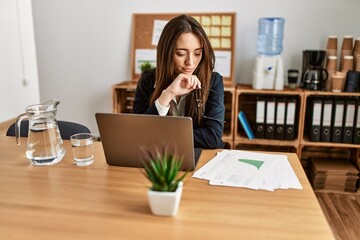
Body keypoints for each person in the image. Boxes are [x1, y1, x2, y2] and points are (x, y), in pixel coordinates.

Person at [133, 15, 225, 149]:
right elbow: (139, 133)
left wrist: (159, 135)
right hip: (159, 158)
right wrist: (168, 94)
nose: (190, 62)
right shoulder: (147, 80)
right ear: (166, 53)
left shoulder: (213, 81)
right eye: (181, 54)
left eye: (197, 53)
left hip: (201, 157)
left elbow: (212, 138)